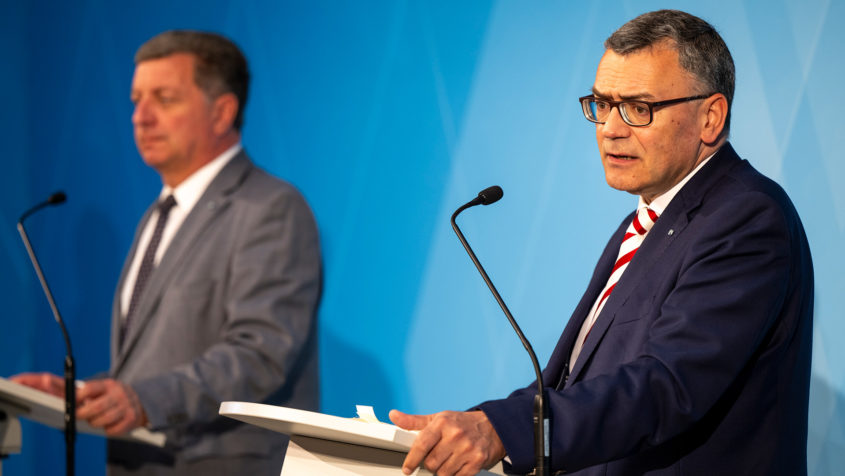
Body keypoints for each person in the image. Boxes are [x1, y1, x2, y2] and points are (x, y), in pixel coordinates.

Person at [389, 9, 813, 476]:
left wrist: (504, 431)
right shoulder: (647, 221)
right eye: (602, 104)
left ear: (710, 117)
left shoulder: (747, 218)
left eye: (638, 108)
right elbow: (577, 383)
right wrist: (478, 425)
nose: (610, 127)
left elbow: (666, 385)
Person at [13, 30, 322, 475]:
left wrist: (143, 401)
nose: (141, 117)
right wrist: (81, 394)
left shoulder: (269, 208)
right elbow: (156, 362)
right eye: (137, 99)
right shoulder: (157, 216)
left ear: (222, 112)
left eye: (164, 98)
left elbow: (260, 353)